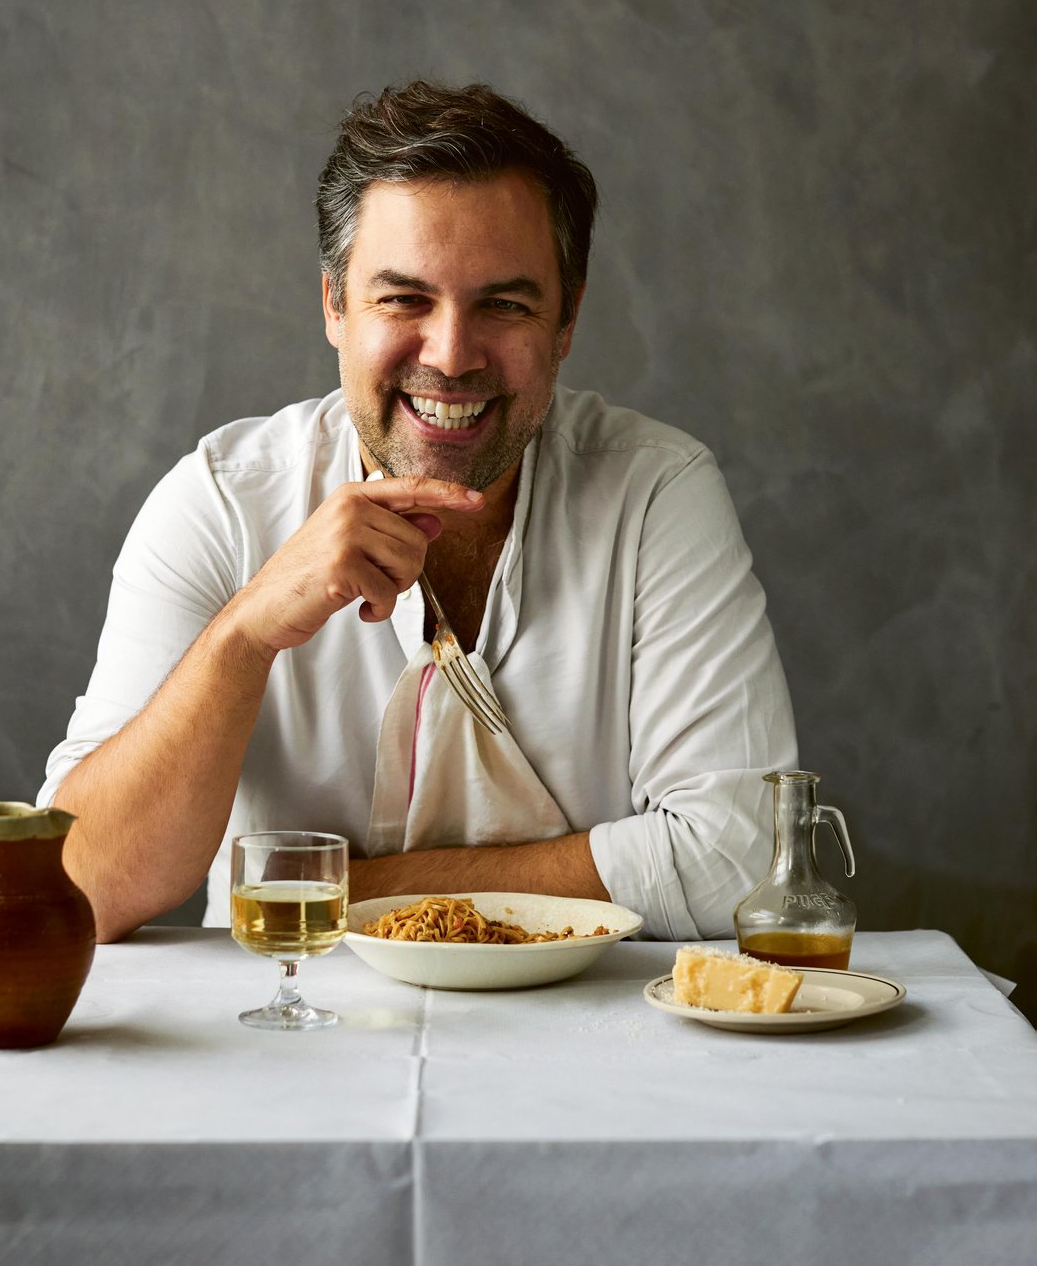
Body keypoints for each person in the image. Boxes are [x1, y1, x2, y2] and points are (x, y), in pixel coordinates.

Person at [39, 81, 796, 943]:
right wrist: (244, 635)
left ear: (567, 320)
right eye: (403, 299)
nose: (452, 354)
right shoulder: (222, 502)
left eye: (504, 304)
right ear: (335, 304)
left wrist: (342, 890)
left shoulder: (656, 492)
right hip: (289, 1018)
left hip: (582, 1023)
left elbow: (738, 857)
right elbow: (79, 884)